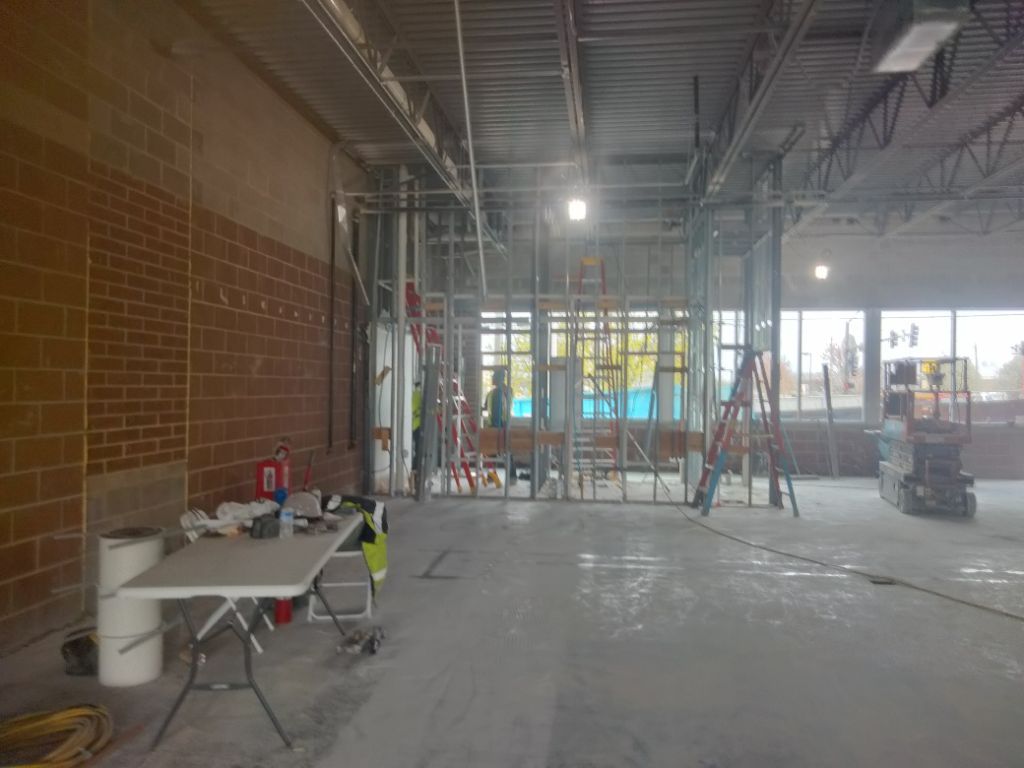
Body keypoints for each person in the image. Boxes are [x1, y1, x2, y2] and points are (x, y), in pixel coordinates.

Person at [485, 369, 515, 484]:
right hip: (505, 423)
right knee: (506, 450)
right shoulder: (508, 391)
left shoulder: (497, 392)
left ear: (499, 378)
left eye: (493, 376)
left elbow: (497, 410)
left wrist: (494, 427)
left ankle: (493, 476)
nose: (492, 378)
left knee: (493, 451)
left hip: (497, 424)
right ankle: (511, 476)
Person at [411, 379, 423, 480]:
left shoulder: (415, 394)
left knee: (418, 449)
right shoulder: (417, 395)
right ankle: (415, 471)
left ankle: (416, 471)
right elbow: (416, 409)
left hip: (416, 425)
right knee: (419, 450)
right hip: (417, 425)